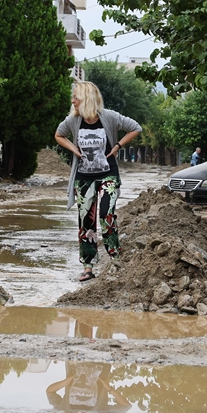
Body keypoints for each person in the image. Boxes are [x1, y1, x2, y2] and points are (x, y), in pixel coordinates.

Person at [55, 81, 142, 282]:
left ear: (86, 98)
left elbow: (135, 128)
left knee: (106, 213)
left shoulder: (109, 117)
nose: (72, 101)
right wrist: (74, 149)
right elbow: (59, 135)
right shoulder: (73, 120)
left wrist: (119, 145)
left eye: (76, 97)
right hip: (84, 177)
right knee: (86, 221)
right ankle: (88, 266)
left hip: (108, 174)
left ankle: (115, 259)